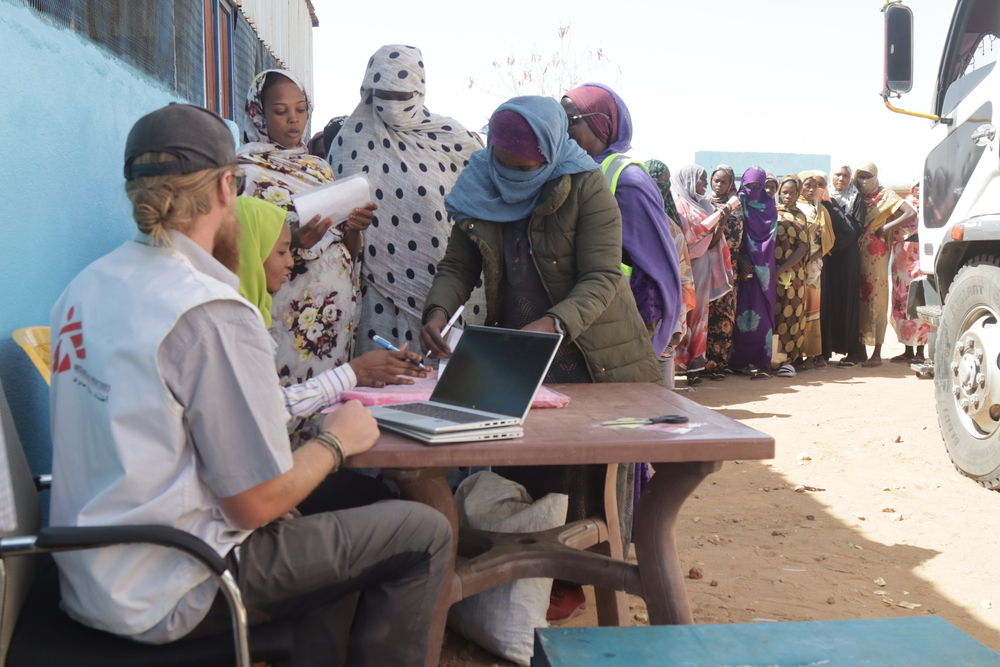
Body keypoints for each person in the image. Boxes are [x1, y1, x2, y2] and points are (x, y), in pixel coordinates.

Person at [48, 103, 451, 666]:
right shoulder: (208, 311)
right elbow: (255, 504)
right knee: (422, 529)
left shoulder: (85, 287)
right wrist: (337, 440)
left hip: (88, 572)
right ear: (223, 190)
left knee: (343, 510)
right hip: (177, 582)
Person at [420, 96, 660, 621]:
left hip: (588, 348)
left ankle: (574, 578)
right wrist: (439, 308)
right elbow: (458, 262)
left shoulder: (586, 184)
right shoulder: (481, 180)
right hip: (521, 348)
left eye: (526, 169)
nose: (513, 177)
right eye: (505, 165)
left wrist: (553, 323)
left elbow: (601, 276)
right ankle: (529, 575)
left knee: (580, 473)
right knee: (525, 466)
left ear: (551, 154)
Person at [238, 69, 376, 446]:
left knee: (329, 402)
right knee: (286, 400)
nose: (293, 119)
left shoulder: (319, 168)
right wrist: (295, 240)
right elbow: (246, 248)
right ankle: (286, 476)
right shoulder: (243, 173)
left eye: (300, 109)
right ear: (258, 114)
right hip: (290, 312)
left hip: (334, 316)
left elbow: (347, 249)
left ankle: (326, 467)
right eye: (281, 111)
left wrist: (353, 226)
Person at [327, 44, 486, 356]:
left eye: (403, 96)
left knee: (443, 384)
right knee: (386, 380)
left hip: (445, 281)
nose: (394, 104)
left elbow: (481, 207)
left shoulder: (451, 138)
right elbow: (335, 220)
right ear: (369, 91)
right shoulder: (350, 141)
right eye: (384, 94)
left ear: (420, 90)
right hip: (378, 291)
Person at [235, 196, 426, 404]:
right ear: (252, 253)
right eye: (282, 252)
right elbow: (270, 411)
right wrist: (355, 372)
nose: (291, 261)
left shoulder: (252, 318)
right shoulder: (231, 327)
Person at [560, 83, 683, 362]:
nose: (563, 130)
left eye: (571, 121)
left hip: (623, 319)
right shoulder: (570, 172)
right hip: (581, 314)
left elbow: (656, 265)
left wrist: (651, 327)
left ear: (600, 124)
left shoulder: (627, 179)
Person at [671, 164, 734, 384]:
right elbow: (687, 242)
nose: (705, 184)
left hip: (703, 267)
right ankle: (675, 364)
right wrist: (707, 232)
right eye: (701, 179)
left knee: (699, 317)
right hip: (684, 268)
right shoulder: (677, 206)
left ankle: (695, 366)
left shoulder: (705, 204)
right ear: (688, 180)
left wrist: (722, 219)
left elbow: (711, 241)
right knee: (681, 315)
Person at [854, 161, 917, 367]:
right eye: (860, 176)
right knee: (859, 299)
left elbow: (910, 212)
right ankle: (861, 349)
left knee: (876, 300)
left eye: (867, 176)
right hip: (857, 252)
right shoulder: (858, 197)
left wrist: (886, 227)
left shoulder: (886, 195)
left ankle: (877, 352)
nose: (864, 181)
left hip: (876, 254)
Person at [644, 159, 697, 375]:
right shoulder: (620, 221)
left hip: (662, 315)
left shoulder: (672, 229)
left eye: (663, 184)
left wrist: (676, 325)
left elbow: (682, 280)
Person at [729, 167, 778, 379]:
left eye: (758, 186)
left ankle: (761, 361)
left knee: (763, 317)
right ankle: (737, 362)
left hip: (763, 271)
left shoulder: (770, 206)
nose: (753, 190)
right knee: (738, 315)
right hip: (738, 270)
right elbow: (730, 234)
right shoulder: (736, 203)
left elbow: (769, 239)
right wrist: (741, 259)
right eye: (749, 186)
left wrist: (756, 261)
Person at [820, 167, 866, 365]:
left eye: (845, 176)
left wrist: (832, 206)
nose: (841, 178)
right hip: (828, 257)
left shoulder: (856, 199)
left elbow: (853, 230)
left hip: (846, 257)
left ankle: (853, 352)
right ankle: (825, 350)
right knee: (827, 301)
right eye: (837, 175)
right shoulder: (824, 195)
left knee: (847, 302)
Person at [706, 164, 745, 377]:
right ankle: (701, 363)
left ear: (731, 183)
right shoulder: (704, 204)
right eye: (716, 180)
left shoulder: (737, 206)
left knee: (726, 314)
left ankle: (719, 363)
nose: (719, 185)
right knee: (706, 313)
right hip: (708, 265)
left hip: (730, 267)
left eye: (724, 181)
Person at [797, 171, 836, 369]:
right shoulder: (791, 207)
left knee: (812, 310)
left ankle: (812, 355)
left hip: (813, 267)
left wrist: (814, 255)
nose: (811, 189)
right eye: (807, 185)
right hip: (793, 267)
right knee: (795, 309)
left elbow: (828, 239)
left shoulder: (821, 210)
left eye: (815, 186)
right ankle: (791, 355)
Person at [772, 175, 810, 376]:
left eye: (792, 193)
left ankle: (789, 360)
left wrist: (784, 267)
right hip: (772, 273)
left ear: (798, 194)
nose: (788, 196)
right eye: (784, 192)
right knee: (774, 316)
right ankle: (773, 359)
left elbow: (803, 247)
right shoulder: (772, 213)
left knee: (792, 315)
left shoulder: (800, 216)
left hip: (793, 275)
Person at [890, 182, 929, 362]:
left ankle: (920, 352)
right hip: (901, 257)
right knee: (901, 302)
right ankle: (907, 350)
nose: (922, 188)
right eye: (918, 185)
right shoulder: (905, 204)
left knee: (919, 300)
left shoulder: (934, 206)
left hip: (921, 255)